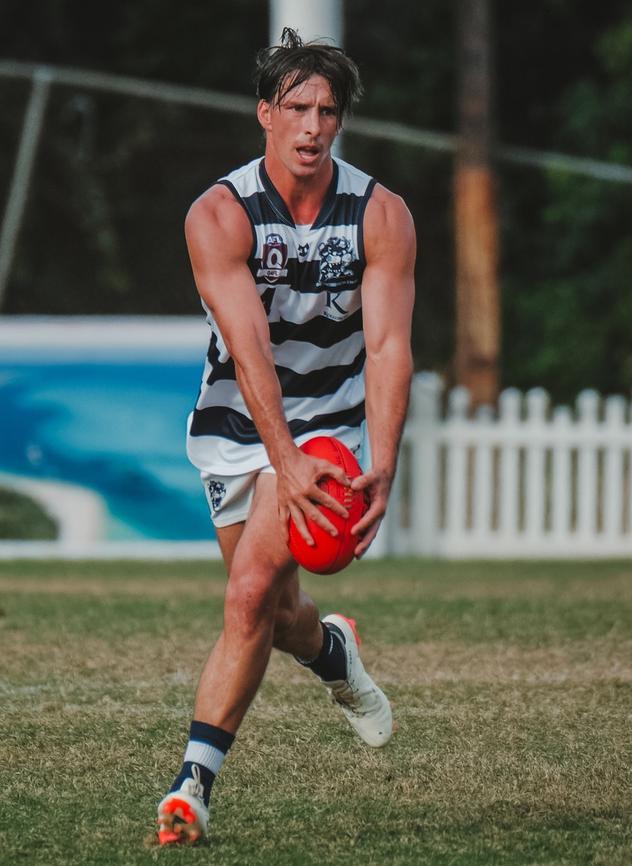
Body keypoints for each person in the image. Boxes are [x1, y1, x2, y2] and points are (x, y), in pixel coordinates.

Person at [156, 27, 416, 845]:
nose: (311, 126)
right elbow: (251, 352)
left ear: (340, 124)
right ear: (264, 112)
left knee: (245, 599)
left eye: (327, 111)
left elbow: (387, 347)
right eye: (297, 107)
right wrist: (279, 459)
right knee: (278, 611)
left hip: (329, 426)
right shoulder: (219, 214)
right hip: (240, 424)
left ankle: (191, 787)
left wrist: (383, 463)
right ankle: (333, 653)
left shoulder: (381, 214)